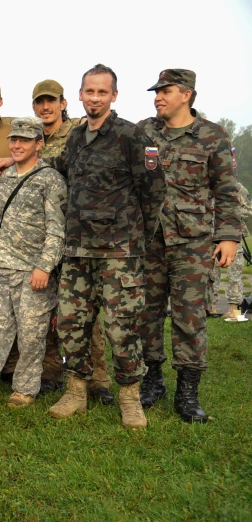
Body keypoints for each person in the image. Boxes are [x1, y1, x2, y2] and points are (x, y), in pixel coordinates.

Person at [48, 64, 166, 429]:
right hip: (78, 252)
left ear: (114, 95)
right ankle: (76, 392)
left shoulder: (133, 136)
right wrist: (21, 162)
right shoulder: (76, 137)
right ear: (80, 95)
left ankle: (131, 398)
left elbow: (154, 190)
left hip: (119, 254)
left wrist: (135, 238)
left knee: (122, 328)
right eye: (89, 91)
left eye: (102, 92)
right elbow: (61, 169)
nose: (95, 98)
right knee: (71, 324)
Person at [137, 69, 242, 422]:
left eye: (165, 91)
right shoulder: (145, 131)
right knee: (146, 314)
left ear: (186, 94)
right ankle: (151, 381)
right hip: (148, 240)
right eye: (156, 92)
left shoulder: (212, 136)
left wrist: (228, 236)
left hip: (192, 243)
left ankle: (187, 392)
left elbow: (226, 190)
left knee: (189, 317)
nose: (157, 97)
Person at [0, 117, 66, 407]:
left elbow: (57, 229)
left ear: (39, 144)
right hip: (1, 266)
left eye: (25, 140)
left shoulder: (50, 180)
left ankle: (24, 389)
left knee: (32, 334)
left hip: (33, 271)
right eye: (14, 139)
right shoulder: (7, 176)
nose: (18, 144)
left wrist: (44, 267)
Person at [31, 79, 113, 404]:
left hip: (80, 236)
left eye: (52, 101)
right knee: (51, 306)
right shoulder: (33, 137)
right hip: (45, 237)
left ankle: (97, 380)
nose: (46, 107)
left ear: (64, 103)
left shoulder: (79, 133)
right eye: (40, 102)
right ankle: (51, 371)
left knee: (87, 312)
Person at [221, 183, 251, 320]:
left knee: (234, 272)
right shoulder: (208, 185)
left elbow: (249, 209)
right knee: (210, 273)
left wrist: (229, 214)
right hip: (210, 233)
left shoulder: (239, 188)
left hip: (233, 233)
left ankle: (234, 309)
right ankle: (210, 307)